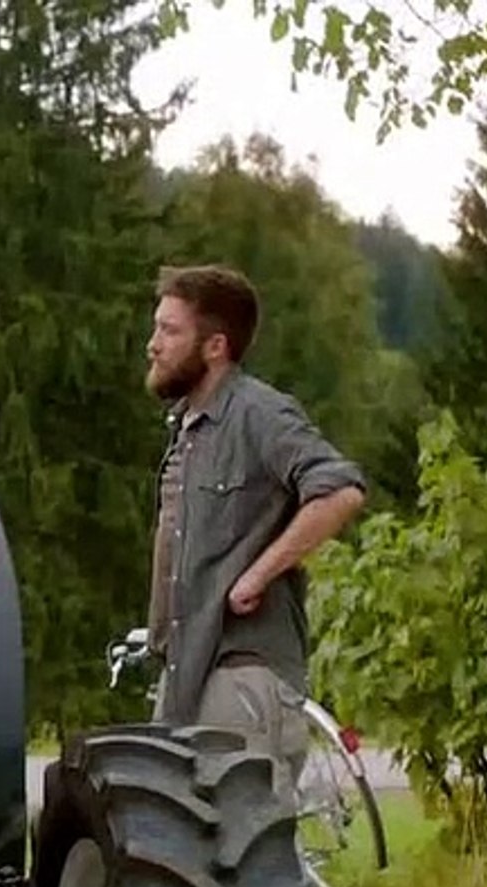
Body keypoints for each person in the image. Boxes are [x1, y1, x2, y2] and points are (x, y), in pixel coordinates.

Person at [143, 264, 367, 789]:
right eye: (156, 328)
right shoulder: (187, 429)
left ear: (215, 346)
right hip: (185, 676)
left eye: (169, 330)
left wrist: (258, 575)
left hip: (243, 676)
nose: (153, 344)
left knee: (243, 834)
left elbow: (340, 489)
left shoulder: (258, 413)